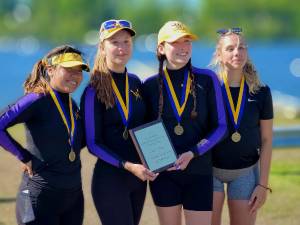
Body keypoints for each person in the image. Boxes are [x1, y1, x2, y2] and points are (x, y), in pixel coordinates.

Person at [142, 21, 227, 225]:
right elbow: (144, 132)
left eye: (187, 41)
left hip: (199, 171)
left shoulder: (208, 79)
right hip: (164, 175)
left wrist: (193, 153)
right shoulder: (150, 85)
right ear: (161, 48)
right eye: (175, 42)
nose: (183, 47)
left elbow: (221, 126)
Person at [0, 45, 89, 225]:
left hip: (72, 198)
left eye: (79, 71)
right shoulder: (36, 99)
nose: (75, 75)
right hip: (36, 197)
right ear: (50, 69)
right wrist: (23, 156)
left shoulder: (72, 105)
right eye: (69, 69)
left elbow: (74, 143)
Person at [80, 19, 157, 225]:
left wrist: (159, 158)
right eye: (115, 42)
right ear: (102, 47)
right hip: (111, 180)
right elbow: (93, 144)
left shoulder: (135, 82)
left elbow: (147, 128)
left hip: (138, 180)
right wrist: (129, 166)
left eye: (126, 42)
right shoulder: (92, 90)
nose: (122, 48)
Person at [210, 28, 273, 225]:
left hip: (245, 171)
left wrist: (262, 185)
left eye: (242, 47)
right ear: (219, 55)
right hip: (210, 171)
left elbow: (267, 140)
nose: (237, 52)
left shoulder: (261, 92)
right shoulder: (208, 88)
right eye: (230, 48)